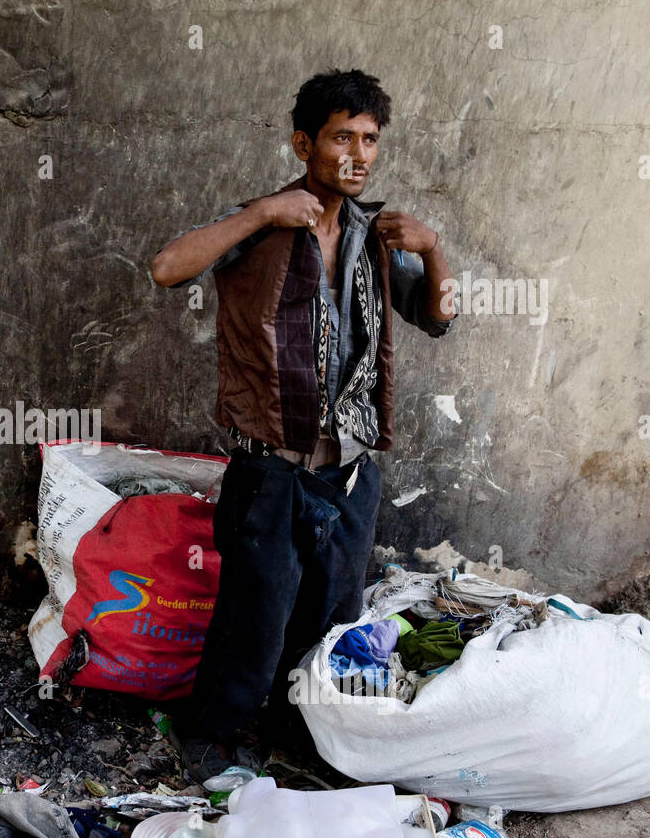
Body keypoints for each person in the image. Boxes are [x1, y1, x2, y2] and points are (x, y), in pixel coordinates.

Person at [149, 69, 458, 782]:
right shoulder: (257, 223)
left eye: (370, 139)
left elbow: (439, 316)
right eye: (341, 136)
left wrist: (433, 245)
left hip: (349, 469)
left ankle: (301, 736)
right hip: (272, 466)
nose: (357, 153)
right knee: (255, 617)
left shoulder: (379, 235)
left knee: (331, 614)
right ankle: (209, 738)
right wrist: (261, 213)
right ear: (303, 143)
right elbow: (168, 267)